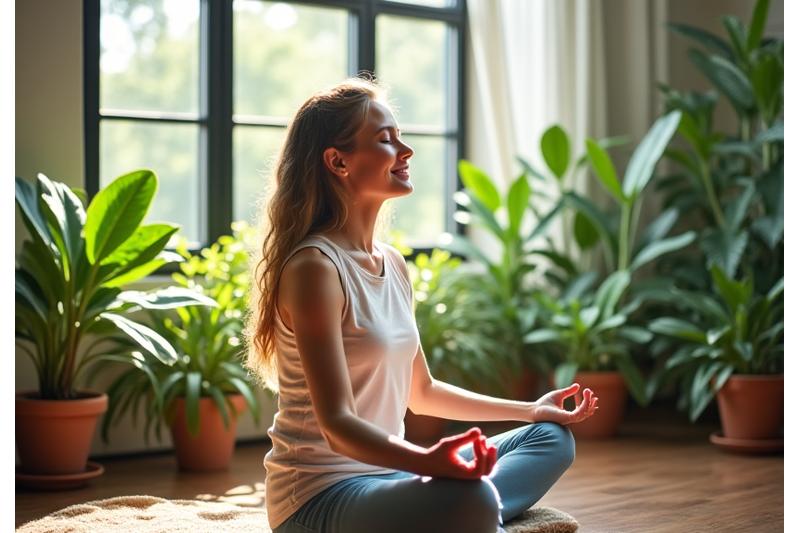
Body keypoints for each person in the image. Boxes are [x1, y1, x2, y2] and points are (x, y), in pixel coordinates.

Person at [246, 76, 599, 533]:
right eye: (385, 139)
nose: (406, 150)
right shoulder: (315, 268)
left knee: (551, 439)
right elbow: (336, 423)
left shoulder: (392, 263)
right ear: (338, 161)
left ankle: (465, 512)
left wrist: (531, 409)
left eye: (400, 136)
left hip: (393, 478)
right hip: (320, 499)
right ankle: (469, 510)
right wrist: (429, 461)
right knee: (469, 494)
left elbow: (423, 392)